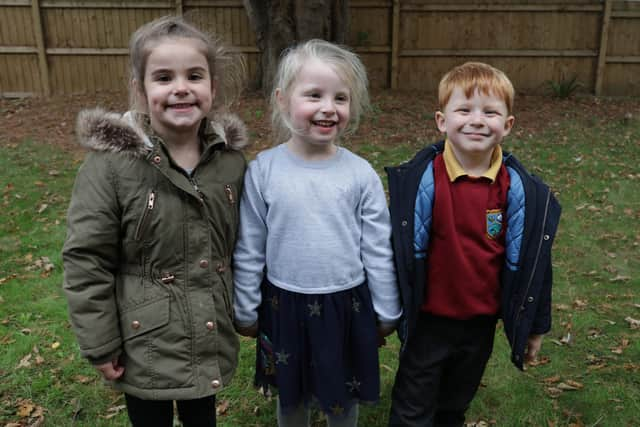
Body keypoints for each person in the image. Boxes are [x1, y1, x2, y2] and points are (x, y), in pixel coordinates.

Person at [62, 16, 248, 427]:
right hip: (143, 342)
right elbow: (86, 259)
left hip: (208, 329)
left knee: (203, 415)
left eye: (194, 76)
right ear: (141, 90)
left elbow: (244, 245)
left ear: (212, 88)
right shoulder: (111, 167)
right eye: (163, 77)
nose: (180, 87)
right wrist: (101, 341)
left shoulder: (229, 163)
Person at [232, 39, 402, 427]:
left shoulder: (360, 175)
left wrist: (388, 310)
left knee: (342, 396)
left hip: (347, 306)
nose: (328, 107)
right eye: (314, 95)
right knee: (291, 397)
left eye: (340, 98)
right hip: (284, 305)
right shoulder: (264, 171)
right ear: (281, 99)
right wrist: (244, 308)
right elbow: (249, 247)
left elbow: (378, 249)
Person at [386, 62, 562, 427]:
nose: (477, 120)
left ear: (508, 125)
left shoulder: (520, 193)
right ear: (441, 120)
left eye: (491, 112)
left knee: (454, 404)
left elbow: (536, 264)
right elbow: (393, 252)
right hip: (428, 320)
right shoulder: (421, 181)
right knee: (412, 407)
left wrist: (536, 325)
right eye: (464, 110)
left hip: (480, 324)